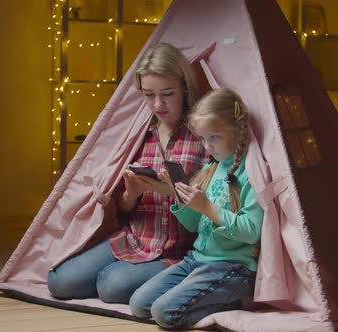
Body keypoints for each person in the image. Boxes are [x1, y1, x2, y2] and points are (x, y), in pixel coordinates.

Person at [47, 43, 209, 304]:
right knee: (59, 282)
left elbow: (214, 208)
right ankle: (128, 275)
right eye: (148, 95)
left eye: (167, 93)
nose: (158, 104)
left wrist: (172, 192)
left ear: (184, 88)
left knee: (111, 286)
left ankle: (160, 277)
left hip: (177, 250)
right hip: (133, 237)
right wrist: (132, 194)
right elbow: (123, 211)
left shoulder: (203, 135)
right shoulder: (139, 133)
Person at [129, 88, 264, 329]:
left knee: (164, 313)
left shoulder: (250, 173)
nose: (207, 146)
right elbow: (193, 224)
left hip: (232, 267)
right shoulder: (211, 169)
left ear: (236, 130)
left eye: (214, 137)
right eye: (202, 139)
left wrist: (207, 207)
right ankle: (207, 296)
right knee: (139, 304)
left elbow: (251, 232)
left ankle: (236, 302)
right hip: (196, 260)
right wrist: (181, 197)